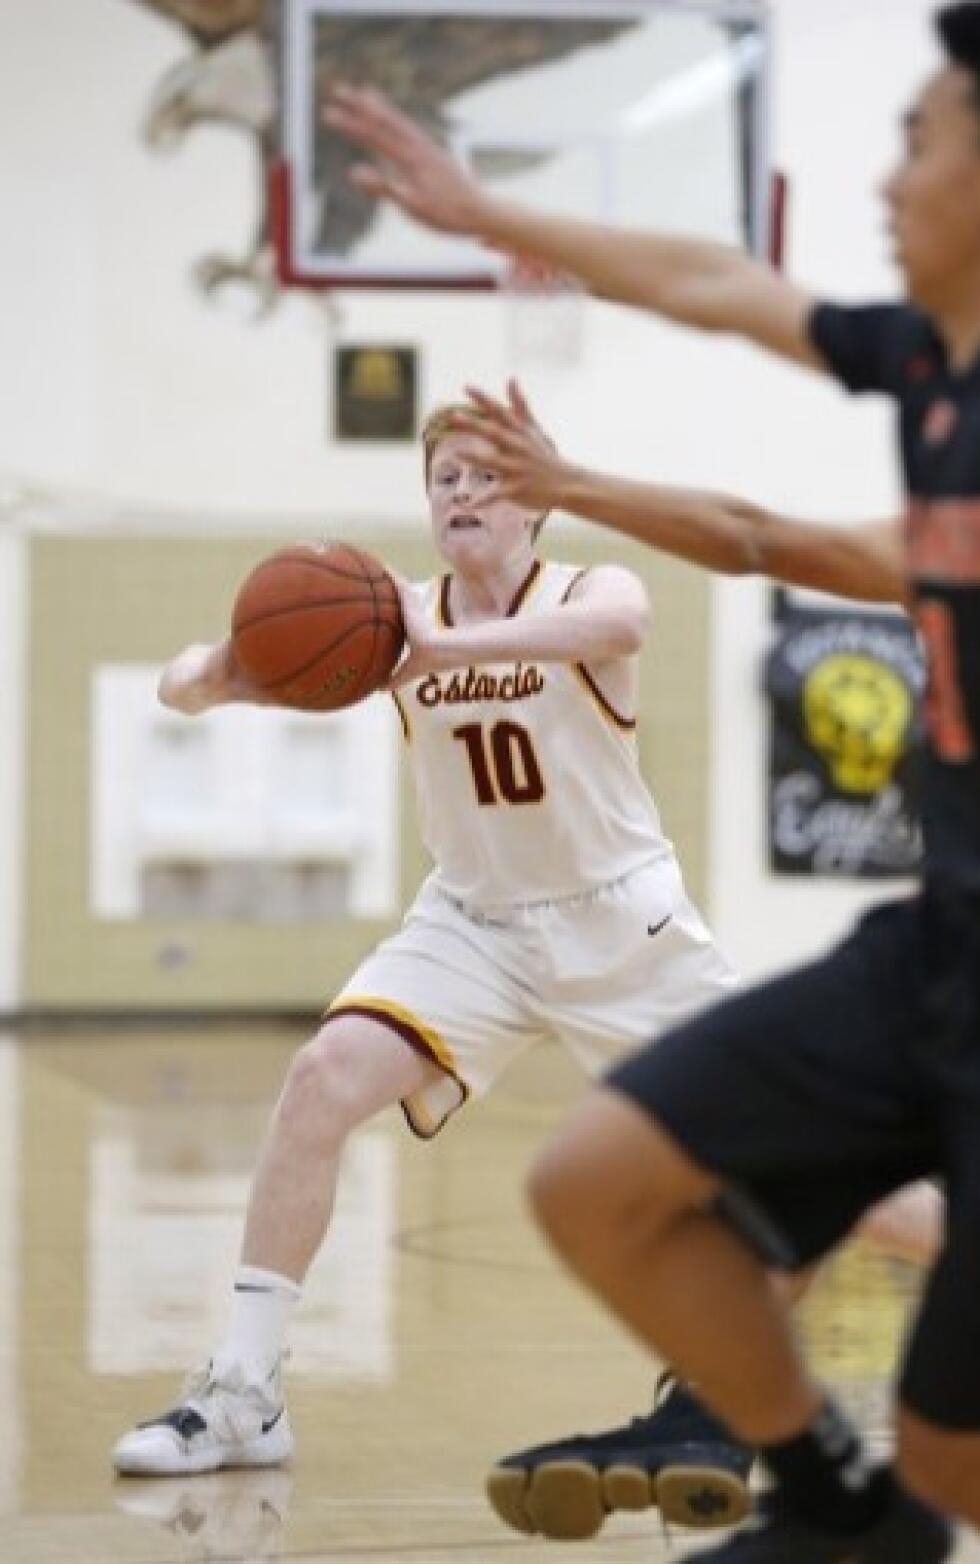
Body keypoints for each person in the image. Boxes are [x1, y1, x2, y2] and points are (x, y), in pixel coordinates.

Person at [325, 3, 980, 1560]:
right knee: (604, 1182)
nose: (884, 180)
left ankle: (926, 1478)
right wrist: (488, 239)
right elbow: (731, 321)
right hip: (946, 943)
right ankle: (835, 1498)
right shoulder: (941, 368)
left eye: (917, 140)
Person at [109, 403, 757, 1542]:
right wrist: (223, 672)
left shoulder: (583, 593)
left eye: (488, 477)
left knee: (794, 1153)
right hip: (473, 926)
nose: (461, 493)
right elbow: (179, 684)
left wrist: (438, 649)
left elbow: (629, 618)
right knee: (322, 1079)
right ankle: (244, 1392)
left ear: (540, 502)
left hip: (623, 934)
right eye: (444, 476)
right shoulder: (381, 620)